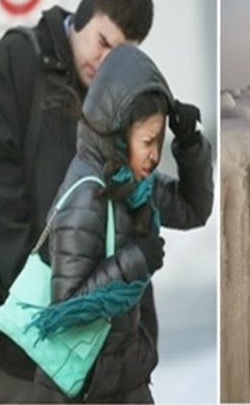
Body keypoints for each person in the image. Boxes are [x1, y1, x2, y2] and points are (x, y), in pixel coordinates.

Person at [0, 0, 159, 401]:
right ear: (84, 12)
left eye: (120, 55)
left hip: (112, 352)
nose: (105, 62)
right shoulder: (12, 65)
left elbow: (131, 198)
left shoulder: (116, 95)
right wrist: (48, 310)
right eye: (103, 43)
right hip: (30, 355)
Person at [33, 43, 213, 402]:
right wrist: (135, 261)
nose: (154, 154)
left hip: (124, 378)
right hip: (84, 390)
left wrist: (190, 144)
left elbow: (194, 209)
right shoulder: (86, 198)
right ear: (117, 133)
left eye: (159, 141)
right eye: (147, 141)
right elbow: (67, 307)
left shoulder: (135, 185)